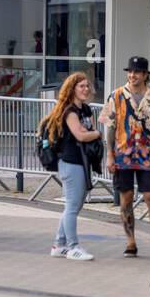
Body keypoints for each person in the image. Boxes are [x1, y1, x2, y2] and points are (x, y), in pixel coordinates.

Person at [100, 56, 150, 259]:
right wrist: (109, 154)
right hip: (122, 155)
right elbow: (109, 127)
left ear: (145, 75)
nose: (132, 75)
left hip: (147, 156)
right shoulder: (115, 96)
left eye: (137, 72)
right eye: (130, 72)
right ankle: (130, 241)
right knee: (126, 199)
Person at [46, 72, 101, 261]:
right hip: (70, 162)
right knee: (72, 206)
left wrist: (91, 132)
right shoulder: (70, 111)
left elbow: (88, 131)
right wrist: (97, 134)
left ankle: (59, 244)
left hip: (82, 161)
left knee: (74, 206)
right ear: (72, 89)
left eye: (87, 86)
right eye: (81, 86)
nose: (86, 89)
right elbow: (81, 135)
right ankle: (72, 246)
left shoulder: (85, 110)